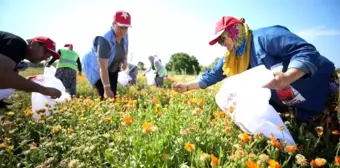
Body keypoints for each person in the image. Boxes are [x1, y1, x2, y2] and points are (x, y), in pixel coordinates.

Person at [172, 16, 339, 140]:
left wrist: (288, 77)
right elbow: (212, 75)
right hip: (298, 104)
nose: (221, 44)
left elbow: (306, 51)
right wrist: (187, 86)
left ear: (234, 30)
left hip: (323, 86)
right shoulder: (231, 58)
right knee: (316, 143)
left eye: (222, 38)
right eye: (218, 42)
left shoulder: (266, 37)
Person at [82, 10, 130, 100]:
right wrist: (107, 88)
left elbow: (126, 46)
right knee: (105, 95)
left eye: (126, 28)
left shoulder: (125, 35)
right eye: (120, 27)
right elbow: (102, 67)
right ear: (113, 24)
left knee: (113, 96)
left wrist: (125, 59)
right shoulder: (104, 40)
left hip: (112, 68)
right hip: (97, 69)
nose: (123, 31)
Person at [0, 31, 62, 99]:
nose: (45, 58)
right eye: (45, 52)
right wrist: (43, 90)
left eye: (48, 57)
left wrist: (26, 83)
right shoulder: (17, 43)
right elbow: (3, 77)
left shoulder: (18, 57)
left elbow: (6, 82)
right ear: (34, 43)